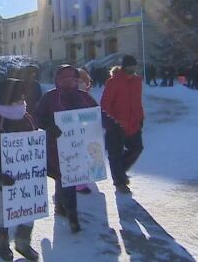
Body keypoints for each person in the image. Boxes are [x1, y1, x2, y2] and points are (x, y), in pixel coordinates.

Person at [0, 78, 39, 261]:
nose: (22, 103)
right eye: (17, 100)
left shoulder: (26, 118)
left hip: (25, 177)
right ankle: (1, 242)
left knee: (29, 210)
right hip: (0, 179)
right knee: (1, 212)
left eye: (23, 100)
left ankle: (23, 242)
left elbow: (34, 146)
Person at [34, 65, 98, 233]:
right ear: (58, 80)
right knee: (64, 179)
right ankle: (72, 216)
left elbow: (97, 115)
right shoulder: (50, 97)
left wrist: (111, 124)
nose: (69, 82)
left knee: (66, 180)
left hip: (79, 148)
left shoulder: (84, 97)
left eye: (72, 79)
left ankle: (62, 207)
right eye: (65, 79)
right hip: (57, 148)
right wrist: (49, 126)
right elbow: (37, 117)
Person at [101, 55, 145, 194]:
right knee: (115, 154)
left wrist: (141, 117)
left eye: (134, 66)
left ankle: (120, 171)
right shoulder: (114, 82)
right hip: (116, 125)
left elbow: (137, 102)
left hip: (133, 123)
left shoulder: (137, 81)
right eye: (130, 66)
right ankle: (119, 182)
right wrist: (111, 121)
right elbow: (105, 104)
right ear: (124, 67)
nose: (133, 69)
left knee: (137, 148)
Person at [73, 69, 94, 195]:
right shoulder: (68, 96)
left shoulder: (87, 97)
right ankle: (79, 184)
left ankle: (83, 179)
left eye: (82, 81)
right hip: (72, 134)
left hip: (86, 132)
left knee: (86, 154)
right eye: (77, 81)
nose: (80, 84)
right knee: (76, 156)